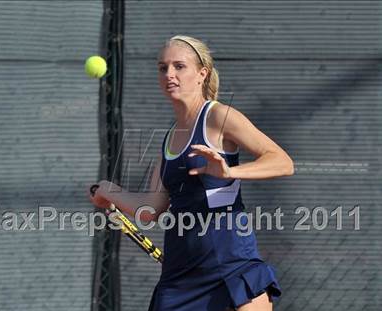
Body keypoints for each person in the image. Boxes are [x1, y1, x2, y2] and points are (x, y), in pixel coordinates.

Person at [89, 35, 294, 311]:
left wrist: (229, 170)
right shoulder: (169, 138)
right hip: (180, 273)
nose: (169, 74)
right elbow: (151, 208)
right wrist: (107, 192)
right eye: (163, 68)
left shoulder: (219, 117)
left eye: (179, 66)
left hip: (230, 261)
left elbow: (282, 161)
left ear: (202, 74)